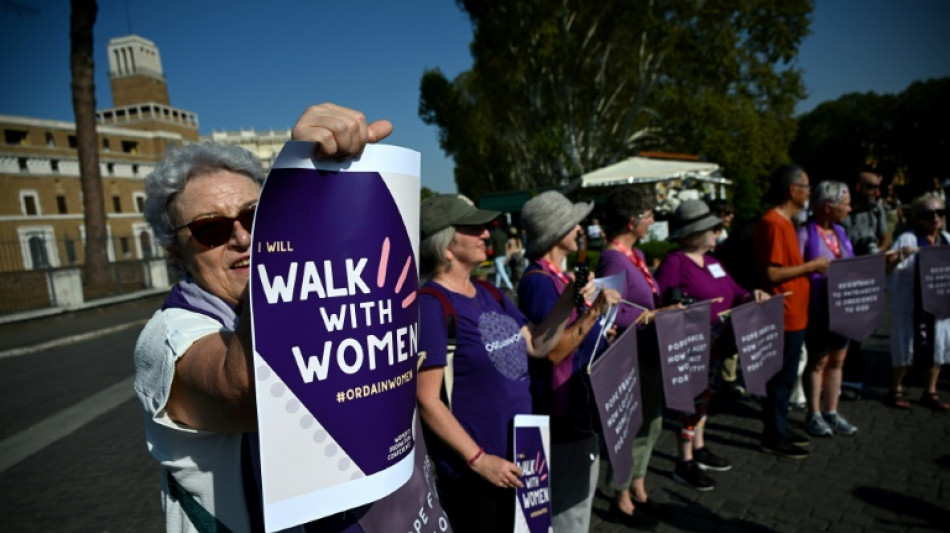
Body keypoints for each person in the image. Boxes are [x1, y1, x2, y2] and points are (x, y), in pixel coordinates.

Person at [134, 103, 393, 532]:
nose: (242, 237)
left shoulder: (314, 296)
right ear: (175, 251)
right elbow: (251, 390)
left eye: (257, 216)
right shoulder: (165, 338)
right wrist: (299, 201)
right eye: (210, 229)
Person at [415, 194, 613, 533]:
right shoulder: (432, 305)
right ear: (446, 246)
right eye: (474, 228)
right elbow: (427, 400)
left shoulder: (489, 291)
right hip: (478, 470)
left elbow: (537, 345)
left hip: (524, 453)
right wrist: (480, 461)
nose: (487, 234)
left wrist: (569, 299)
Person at [518, 191, 620, 532]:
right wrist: (595, 315)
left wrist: (603, 332)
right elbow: (554, 351)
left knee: (577, 504)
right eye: (573, 223)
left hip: (578, 407)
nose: (580, 229)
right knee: (569, 510)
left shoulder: (557, 277)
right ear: (555, 231)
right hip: (562, 414)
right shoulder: (539, 282)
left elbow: (576, 337)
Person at [655, 199, 770, 490]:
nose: (717, 233)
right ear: (694, 234)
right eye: (712, 229)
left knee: (704, 399)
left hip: (716, 347)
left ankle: (699, 447)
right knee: (689, 403)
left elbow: (736, 291)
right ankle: (685, 461)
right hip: (691, 348)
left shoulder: (713, 263)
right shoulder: (675, 262)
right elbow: (661, 302)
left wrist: (751, 296)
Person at [595, 186, 663, 528]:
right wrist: (652, 316)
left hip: (649, 349)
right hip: (630, 355)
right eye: (649, 215)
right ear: (632, 221)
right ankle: (620, 497)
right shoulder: (612, 258)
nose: (653, 221)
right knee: (633, 426)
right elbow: (609, 313)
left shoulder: (633, 255)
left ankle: (638, 487)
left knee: (652, 423)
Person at [753, 164, 831, 459]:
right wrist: (812, 266)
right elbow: (772, 273)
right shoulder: (773, 223)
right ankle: (774, 434)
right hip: (782, 313)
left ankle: (780, 428)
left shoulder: (787, 222)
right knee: (780, 380)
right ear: (792, 190)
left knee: (786, 377)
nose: (810, 193)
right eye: (807, 187)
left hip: (795, 312)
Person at [797, 181, 859, 436]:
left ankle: (831, 412)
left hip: (842, 306)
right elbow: (796, 270)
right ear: (826, 207)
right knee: (818, 360)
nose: (849, 209)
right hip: (818, 308)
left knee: (838, 359)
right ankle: (813, 413)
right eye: (845, 204)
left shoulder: (840, 232)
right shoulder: (804, 234)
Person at [886, 193, 950, 411]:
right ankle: (896, 388)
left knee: (938, 345)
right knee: (906, 346)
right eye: (927, 214)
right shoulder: (907, 240)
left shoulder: (948, 240)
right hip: (910, 303)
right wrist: (897, 259)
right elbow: (887, 268)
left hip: (939, 303)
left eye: (939, 212)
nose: (935, 218)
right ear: (917, 217)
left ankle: (930, 391)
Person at [489, 219, 514, 290]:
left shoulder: (492, 234)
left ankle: (509, 285)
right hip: (504, 254)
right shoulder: (503, 234)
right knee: (498, 271)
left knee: (502, 271)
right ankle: (497, 285)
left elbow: (490, 247)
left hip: (497, 255)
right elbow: (506, 246)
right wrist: (507, 255)